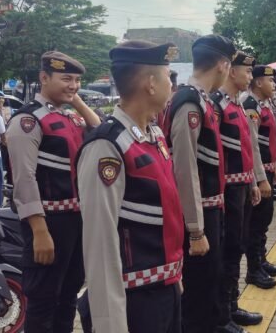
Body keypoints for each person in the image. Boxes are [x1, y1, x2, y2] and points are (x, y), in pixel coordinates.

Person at [77, 41, 183, 333]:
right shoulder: (107, 146)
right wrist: (110, 325)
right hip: (133, 302)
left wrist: (175, 278)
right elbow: (100, 245)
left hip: (163, 290)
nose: (172, 86)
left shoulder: (153, 135)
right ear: (150, 83)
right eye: (167, 76)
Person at [6, 51, 101, 333]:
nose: (73, 85)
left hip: (76, 221)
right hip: (48, 222)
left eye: (77, 81)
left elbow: (100, 130)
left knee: (68, 293)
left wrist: (77, 100)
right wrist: (39, 230)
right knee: (43, 300)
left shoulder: (69, 117)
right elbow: (24, 179)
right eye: (66, 79)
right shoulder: (28, 121)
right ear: (44, 78)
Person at [161, 34, 236, 333]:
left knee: (208, 284)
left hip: (210, 209)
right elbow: (184, 169)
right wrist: (195, 229)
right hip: (198, 213)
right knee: (197, 294)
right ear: (223, 65)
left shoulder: (201, 100)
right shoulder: (190, 102)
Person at [210, 51, 267, 332]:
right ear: (232, 72)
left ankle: (232, 306)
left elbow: (249, 146)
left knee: (238, 247)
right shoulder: (217, 106)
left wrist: (254, 181)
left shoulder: (237, 106)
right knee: (228, 250)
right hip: (227, 191)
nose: (249, 76)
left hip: (242, 188)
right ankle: (222, 317)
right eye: (246, 71)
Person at [242, 65, 276, 290]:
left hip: (268, 169)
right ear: (259, 83)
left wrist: (275, 166)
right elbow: (252, 147)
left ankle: (261, 260)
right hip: (260, 174)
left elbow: (271, 140)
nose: (275, 84)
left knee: (264, 221)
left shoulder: (263, 105)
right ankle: (253, 270)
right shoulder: (250, 106)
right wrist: (261, 178)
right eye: (270, 81)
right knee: (256, 224)